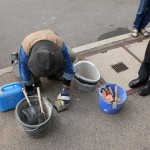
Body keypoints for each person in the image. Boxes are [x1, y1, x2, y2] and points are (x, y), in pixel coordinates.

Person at [11, 29, 76, 111]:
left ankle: (52, 74)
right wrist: (30, 90)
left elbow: (69, 66)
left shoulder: (58, 44)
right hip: (29, 45)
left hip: (50, 38)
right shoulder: (25, 52)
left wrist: (66, 89)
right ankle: (15, 60)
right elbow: (25, 74)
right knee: (21, 74)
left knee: (72, 56)